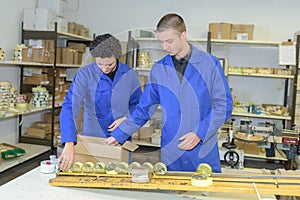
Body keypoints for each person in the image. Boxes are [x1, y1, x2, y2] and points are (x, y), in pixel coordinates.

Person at [105, 13, 233, 172]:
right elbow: (145, 108)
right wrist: (120, 134)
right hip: (172, 150)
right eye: (161, 42)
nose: (165, 47)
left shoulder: (209, 64)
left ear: (183, 35)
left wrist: (200, 133)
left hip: (202, 149)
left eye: (169, 41)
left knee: (204, 193)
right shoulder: (159, 69)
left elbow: (224, 105)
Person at [58, 33, 142, 171]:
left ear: (117, 57)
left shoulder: (130, 75)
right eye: (100, 64)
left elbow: (138, 106)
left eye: (109, 64)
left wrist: (127, 119)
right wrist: (68, 142)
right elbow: (69, 107)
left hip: (122, 135)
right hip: (93, 137)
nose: (104, 69)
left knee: (119, 177)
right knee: (92, 176)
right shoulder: (84, 75)